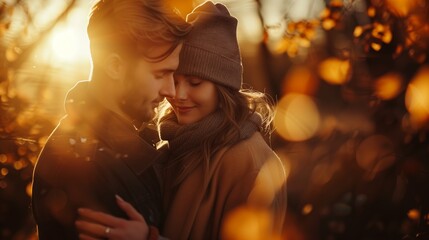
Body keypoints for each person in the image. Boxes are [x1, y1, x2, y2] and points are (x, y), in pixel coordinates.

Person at [75, 1, 287, 239]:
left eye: (195, 83)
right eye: (173, 78)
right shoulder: (172, 147)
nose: (177, 94)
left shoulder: (251, 165)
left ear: (223, 89)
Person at [31, 0, 191, 239]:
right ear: (115, 66)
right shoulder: (84, 166)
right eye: (161, 74)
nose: (171, 91)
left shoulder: (128, 142)